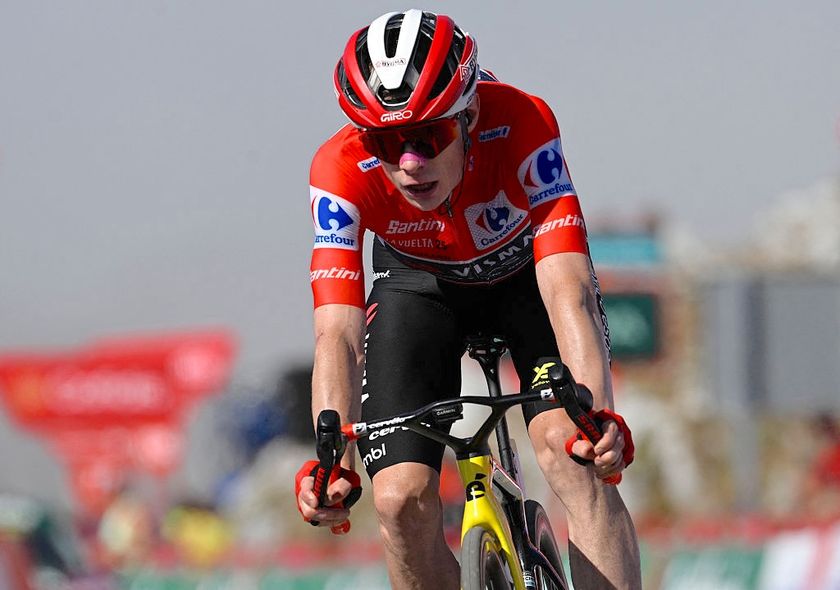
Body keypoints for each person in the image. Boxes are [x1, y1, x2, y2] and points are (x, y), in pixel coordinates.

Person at [295, 9, 641, 589]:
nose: (409, 163)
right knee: (399, 503)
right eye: (385, 142)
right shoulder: (338, 169)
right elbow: (337, 330)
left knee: (573, 454)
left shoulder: (523, 120)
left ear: (470, 113)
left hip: (523, 278)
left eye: (429, 136)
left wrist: (597, 414)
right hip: (418, 289)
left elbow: (568, 288)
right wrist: (333, 457)